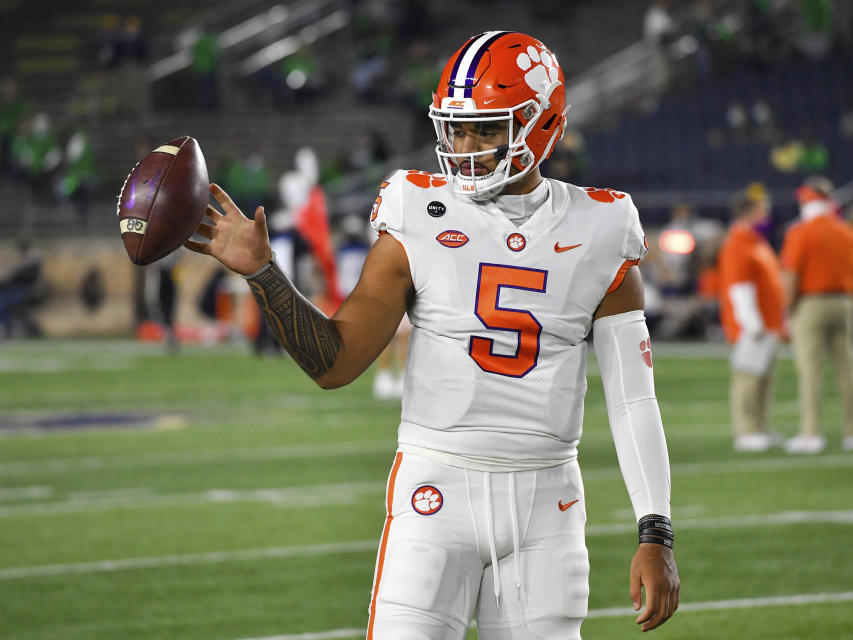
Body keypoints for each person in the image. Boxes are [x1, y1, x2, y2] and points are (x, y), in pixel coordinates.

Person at [186, 31, 679, 638]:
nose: (466, 147)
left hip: (547, 500)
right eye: (456, 128)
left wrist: (655, 530)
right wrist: (264, 275)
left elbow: (633, 399)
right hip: (435, 487)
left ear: (543, 124)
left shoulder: (601, 227)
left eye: (488, 129)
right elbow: (334, 363)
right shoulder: (417, 210)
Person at [780, 177, 853, 454]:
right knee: (847, 368)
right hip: (844, 301)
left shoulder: (801, 232)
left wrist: (788, 307)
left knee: (810, 371)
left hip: (812, 304)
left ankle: (812, 433)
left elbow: (792, 275)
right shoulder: (848, 231)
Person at [717, 188, 785, 452]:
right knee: (748, 378)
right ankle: (746, 431)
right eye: (761, 209)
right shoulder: (738, 242)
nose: (766, 214)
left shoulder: (755, 240)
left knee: (764, 381)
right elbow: (739, 286)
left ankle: (760, 427)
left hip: (768, 322)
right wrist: (750, 321)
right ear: (748, 213)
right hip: (754, 325)